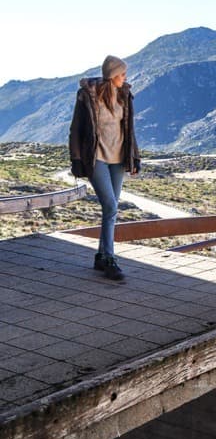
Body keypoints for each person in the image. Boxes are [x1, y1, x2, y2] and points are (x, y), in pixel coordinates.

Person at [69, 55, 140, 281]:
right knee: (110, 205)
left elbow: (129, 130)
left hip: (118, 158)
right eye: (122, 74)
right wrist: (77, 159)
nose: (125, 78)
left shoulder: (124, 96)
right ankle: (109, 258)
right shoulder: (87, 97)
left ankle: (101, 257)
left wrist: (134, 158)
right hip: (96, 157)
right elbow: (76, 130)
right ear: (112, 75)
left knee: (111, 209)